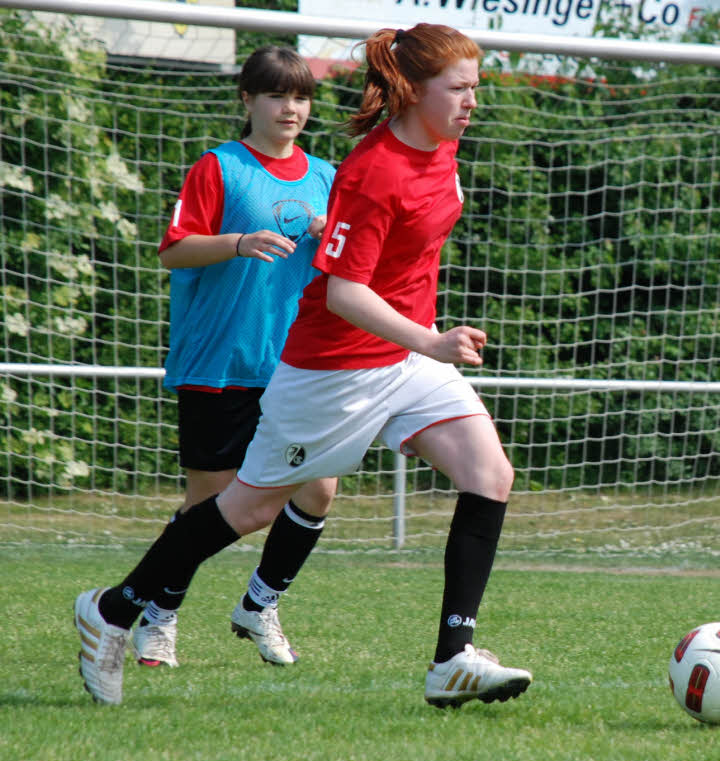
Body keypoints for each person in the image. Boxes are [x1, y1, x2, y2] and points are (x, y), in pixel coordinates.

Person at [74, 23, 533, 708]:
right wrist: (432, 339)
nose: (472, 101)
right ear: (414, 91)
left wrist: (421, 342)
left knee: (489, 473)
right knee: (245, 508)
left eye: (475, 87)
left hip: (404, 358)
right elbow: (344, 293)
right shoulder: (370, 171)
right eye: (459, 88)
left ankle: (451, 657)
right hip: (332, 369)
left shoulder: (444, 146)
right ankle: (112, 609)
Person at [129, 45, 337, 670]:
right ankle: (158, 617)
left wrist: (334, 241)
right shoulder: (218, 168)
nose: (290, 108)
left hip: (297, 366)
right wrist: (239, 242)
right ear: (247, 100)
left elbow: (346, 274)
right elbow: (172, 251)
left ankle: (260, 604)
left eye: (300, 96)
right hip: (219, 361)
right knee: (211, 508)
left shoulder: (328, 177)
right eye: (276, 95)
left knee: (319, 489)